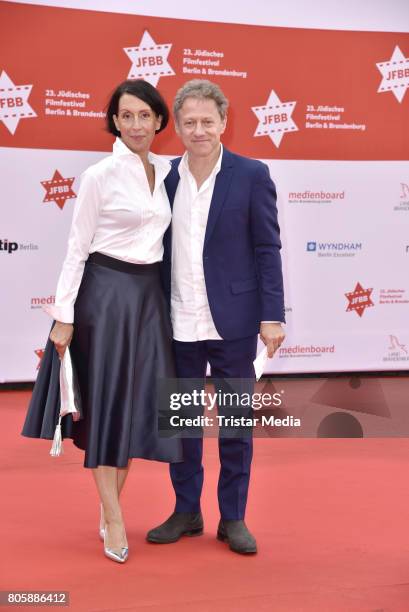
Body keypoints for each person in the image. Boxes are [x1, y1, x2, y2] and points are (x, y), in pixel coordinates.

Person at [22, 79, 182, 564]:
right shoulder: (99, 175)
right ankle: (113, 515)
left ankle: (109, 505)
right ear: (114, 120)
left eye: (144, 115)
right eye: (125, 115)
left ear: (159, 121)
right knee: (106, 406)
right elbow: (76, 250)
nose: (135, 124)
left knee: (133, 409)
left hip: (149, 299)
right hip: (105, 297)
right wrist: (63, 317)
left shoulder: (168, 170)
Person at [146, 80, 285, 554]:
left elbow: (267, 249)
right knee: (180, 423)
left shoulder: (251, 174)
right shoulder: (161, 178)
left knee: (235, 425)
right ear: (177, 128)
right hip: (177, 321)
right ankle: (187, 510)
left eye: (208, 121)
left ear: (224, 123)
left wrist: (272, 315)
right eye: (189, 122)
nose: (199, 130)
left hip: (235, 321)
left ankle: (234, 517)